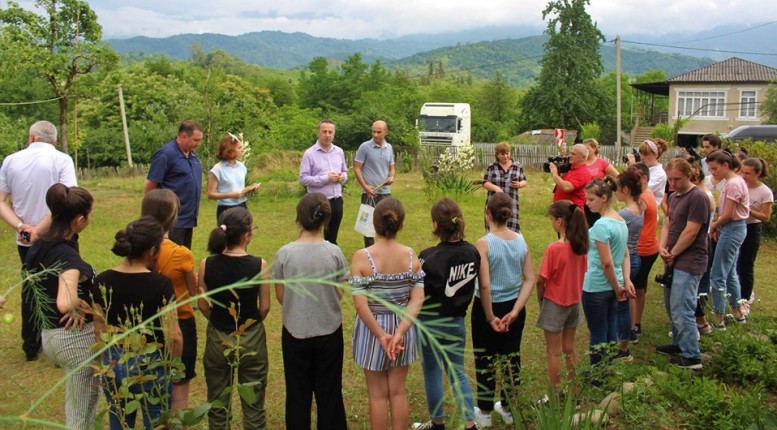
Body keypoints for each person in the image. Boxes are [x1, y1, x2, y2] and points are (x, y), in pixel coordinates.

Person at [93, 217, 183, 430]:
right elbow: (174, 335)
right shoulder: (161, 284)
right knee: (156, 420)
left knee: (119, 419)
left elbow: (98, 327)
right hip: (151, 364)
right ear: (152, 250)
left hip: (114, 359)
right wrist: (173, 367)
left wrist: (105, 362)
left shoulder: (102, 281)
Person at [23, 183, 99, 429]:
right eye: (89, 214)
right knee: (80, 411)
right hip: (73, 340)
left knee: (82, 406)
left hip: (50, 334)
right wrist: (88, 307)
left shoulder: (40, 244)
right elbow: (65, 302)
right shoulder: (67, 256)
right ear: (79, 219)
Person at [0, 120, 77, 361]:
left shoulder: (11, 161)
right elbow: (67, 200)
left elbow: (1, 201)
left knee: (32, 288)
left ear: (31, 138)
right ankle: (61, 343)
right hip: (59, 235)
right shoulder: (62, 159)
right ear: (54, 141)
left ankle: (31, 345)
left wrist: (22, 226)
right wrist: (39, 229)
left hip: (26, 239)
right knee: (62, 286)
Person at [273, 193, 348, 430]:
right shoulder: (334, 252)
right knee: (330, 391)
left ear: (299, 218)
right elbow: (339, 290)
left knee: (297, 392)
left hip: (295, 330)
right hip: (329, 331)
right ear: (326, 219)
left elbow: (280, 294)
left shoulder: (285, 253)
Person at [350, 197, 424, 430]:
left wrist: (381, 335)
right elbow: (417, 298)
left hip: (372, 330)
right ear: (400, 224)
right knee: (398, 391)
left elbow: (360, 304)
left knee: (377, 395)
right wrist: (400, 331)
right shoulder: (411, 256)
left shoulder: (362, 257)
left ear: (374, 222)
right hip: (403, 328)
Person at [198, 207, 270, 430]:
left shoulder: (206, 264)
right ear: (246, 235)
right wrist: (250, 323)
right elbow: (265, 307)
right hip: (251, 337)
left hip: (219, 337)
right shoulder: (259, 264)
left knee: (218, 404)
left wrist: (218, 320)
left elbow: (202, 304)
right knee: (254, 404)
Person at [413, 198, 480, 430]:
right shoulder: (473, 252)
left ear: (435, 225)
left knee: (432, 372)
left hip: (429, 323)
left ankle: (437, 423)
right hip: (456, 321)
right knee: (458, 372)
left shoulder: (428, 257)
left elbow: (417, 291)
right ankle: (470, 424)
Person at [472, 193, 535, 427]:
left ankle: (485, 411)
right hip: (513, 306)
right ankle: (508, 406)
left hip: (488, 308)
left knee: (485, 357)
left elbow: (485, 284)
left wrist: (489, 317)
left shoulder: (484, 243)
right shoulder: (520, 240)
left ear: (487, 212)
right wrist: (516, 311)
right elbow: (529, 279)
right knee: (511, 356)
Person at [140, 189, 199, 412]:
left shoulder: (137, 250)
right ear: (173, 217)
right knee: (179, 390)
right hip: (180, 324)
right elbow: (194, 292)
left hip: (146, 323)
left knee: (152, 386)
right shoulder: (182, 253)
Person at [656, 158, 710, 369]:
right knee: (671, 305)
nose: (672, 184)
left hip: (689, 260)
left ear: (690, 175)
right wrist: (663, 246)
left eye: (677, 179)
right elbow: (668, 223)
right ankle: (679, 343)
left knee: (682, 307)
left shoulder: (698, 197)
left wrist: (673, 253)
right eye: (670, 180)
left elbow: (692, 230)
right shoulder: (675, 196)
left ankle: (691, 356)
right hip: (673, 258)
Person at [536, 200, 588, 393]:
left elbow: (541, 280)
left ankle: (555, 395)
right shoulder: (582, 246)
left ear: (560, 221)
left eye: (551, 219)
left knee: (554, 352)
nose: (551, 223)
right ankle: (573, 391)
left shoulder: (555, 249)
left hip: (555, 304)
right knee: (570, 348)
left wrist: (541, 299)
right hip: (574, 303)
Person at [581, 178, 634, 365]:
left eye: (590, 199)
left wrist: (618, 286)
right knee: (611, 327)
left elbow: (607, 263)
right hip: (615, 284)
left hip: (597, 285)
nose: (587, 203)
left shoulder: (601, 226)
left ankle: (597, 373)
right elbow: (626, 254)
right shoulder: (620, 221)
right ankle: (609, 365)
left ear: (604, 198)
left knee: (598, 331)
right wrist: (624, 282)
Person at [144, 120, 204, 249]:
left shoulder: (192, 155)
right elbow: (150, 185)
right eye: (195, 140)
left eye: (200, 140)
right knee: (170, 258)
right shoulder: (165, 154)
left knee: (183, 257)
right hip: (172, 220)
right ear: (183, 136)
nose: (198, 144)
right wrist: (153, 214)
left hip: (188, 218)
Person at [706, 150, 749, 327]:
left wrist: (713, 226)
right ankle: (738, 312)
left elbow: (729, 214)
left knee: (717, 275)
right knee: (730, 273)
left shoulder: (733, 184)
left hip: (733, 228)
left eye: (715, 168)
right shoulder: (734, 181)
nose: (712, 172)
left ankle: (719, 317)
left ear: (726, 165)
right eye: (710, 169)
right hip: (733, 229)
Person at [299, 120, 348, 245]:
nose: (327, 135)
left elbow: (345, 172)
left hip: (336, 200)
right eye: (324, 132)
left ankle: (330, 258)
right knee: (313, 234)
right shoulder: (309, 154)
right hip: (318, 201)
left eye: (330, 132)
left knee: (332, 236)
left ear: (334, 134)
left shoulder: (339, 152)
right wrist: (325, 179)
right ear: (318, 133)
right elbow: (303, 179)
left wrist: (342, 177)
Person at [615, 171, 644, 354]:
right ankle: (631, 330)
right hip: (635, 255)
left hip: (625, 258)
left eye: (617, 189)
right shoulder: (641, 205)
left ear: (626, 189)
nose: (615, 192)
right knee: (630, 296)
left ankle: (622, 342)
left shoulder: (624, 213)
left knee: (622, 304)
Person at [737, 158, 773, 307]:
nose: (744, 176)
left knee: (746, 264)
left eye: (748, 173)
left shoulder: (764, 192)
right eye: (742, 172)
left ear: (758, 173)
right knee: (733, 263)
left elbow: (766, 217)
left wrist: (748, 209)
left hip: (752, 228)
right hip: (735, 226)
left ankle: (745, 298)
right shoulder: (739, 185)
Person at [627, 163, 658, 337]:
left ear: (644, 178)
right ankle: (635, 323)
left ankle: (634, 325)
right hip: (648, 247)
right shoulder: (647, 193)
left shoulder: (643, 199)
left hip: (642, 249)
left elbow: (632, 217)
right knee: (639, 287)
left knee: (635, 288)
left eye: (635, 178)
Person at [354, 120, 396, 247]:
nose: (375, 135)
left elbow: (392, 168)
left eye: (379, 132)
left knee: (387, 224)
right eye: (373, 131)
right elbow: (357, 168)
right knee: (368, 227)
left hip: (385, 193)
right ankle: (370, 253)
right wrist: (365, 187)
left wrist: (392, 177)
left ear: (386, 132)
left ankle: (385, 250)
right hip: (369, 193)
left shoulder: (389, 148)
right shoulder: (364, 147)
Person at [207, 133, 260, 221]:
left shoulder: (242, 167)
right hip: (226, 209)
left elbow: (240, 189)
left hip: (242, 207)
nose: (242, 150)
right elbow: (210, 194)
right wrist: (230, 195)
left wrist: (250, 189)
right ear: (230, 150)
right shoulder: (217, 169)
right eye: (239, 148)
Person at [482, 141, 528, 233]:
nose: (505, 156)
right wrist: (496, 188)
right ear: (497, 155)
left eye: (507, 153)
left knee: (512, 229)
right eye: (502, 154)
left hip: (511, 203)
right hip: (495, 203)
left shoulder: (517, 166)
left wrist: (519, 184)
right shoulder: (492, 167)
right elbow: (485, 183)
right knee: (494, 228)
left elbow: (525, 181)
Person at [582, 138, 619, 226]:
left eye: (587, 149)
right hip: (582, 198)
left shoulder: (602, 163)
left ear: (594, 149)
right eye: (584, 149)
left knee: (596, 223)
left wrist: (608, 186)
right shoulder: (581, 163)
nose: (585, 151)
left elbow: (618, 176)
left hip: (597, 198)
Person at [550, 144, 593, 211]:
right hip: (562, 211)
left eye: (573, 154)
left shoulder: (582, 172)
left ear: (583, 157)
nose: (570, 156)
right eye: (570, 153)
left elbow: (567, 188)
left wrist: (555, 174)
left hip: (572, 213)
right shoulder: (571, 169)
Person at [627, 138, 668, 206]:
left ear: (655, 155)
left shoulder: (660, 174)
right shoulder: (644, 168)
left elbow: (640, 189)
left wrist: (632, 168)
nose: (642, 157)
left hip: (647, 212)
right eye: (641, 154)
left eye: (645, 154)